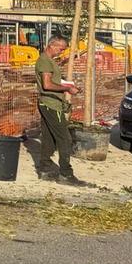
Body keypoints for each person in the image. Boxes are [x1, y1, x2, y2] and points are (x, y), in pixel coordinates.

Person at [35, 35, 80, 184]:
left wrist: (65, 84)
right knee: (65, 138)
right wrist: (67, 88)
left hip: (49, 103)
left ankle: (44, 169)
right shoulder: (45, 62)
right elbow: (47, 85)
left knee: (49, 138)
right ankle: (66, 174)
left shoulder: (49, 61)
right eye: (60, 49)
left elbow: (52, 81)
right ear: (52, 45)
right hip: (51, 104)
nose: (61, 52)